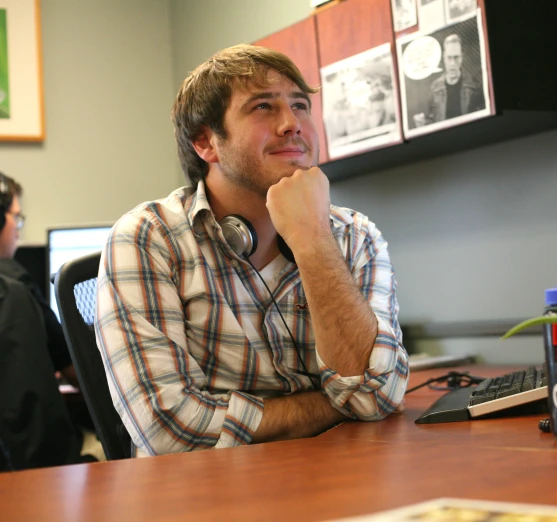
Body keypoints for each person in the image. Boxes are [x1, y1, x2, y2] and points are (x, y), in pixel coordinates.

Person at [95, 44, 409, 458]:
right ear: (206, 142)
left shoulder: (353, 235)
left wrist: (314, 239)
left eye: (300, 106)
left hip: (333, 479)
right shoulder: (148, 238)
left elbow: (376, 394)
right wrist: (334, 405)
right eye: (263, 107)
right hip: (202, 497)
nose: (291, 124)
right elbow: (168, 427)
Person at [0, 172, 84, 469]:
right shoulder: (12, 290)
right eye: (16, 219)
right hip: (28, 482)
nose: (18, 231)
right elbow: (77, 371)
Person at [413, 34, 485, 127]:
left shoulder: (474, 87)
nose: (452, 63)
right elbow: (433, 122)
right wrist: (422, 123)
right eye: (449, 58)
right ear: (444, 57)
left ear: (462, 57)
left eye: (456, 57)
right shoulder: (434, 88)